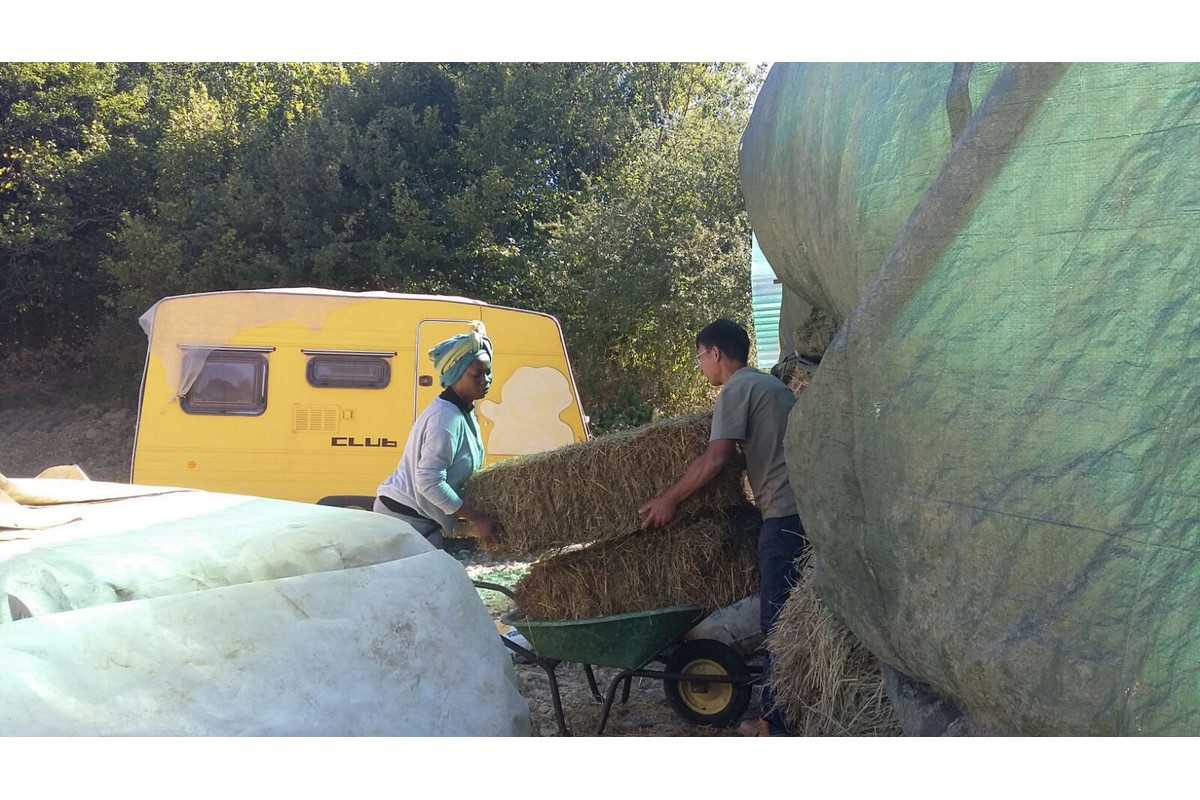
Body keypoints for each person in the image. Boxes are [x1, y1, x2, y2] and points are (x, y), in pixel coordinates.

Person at [639, 318, 808, 737]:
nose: (701, 366)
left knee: (778, 621)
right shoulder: (769, 386)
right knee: (790, 616)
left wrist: (668, 500)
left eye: (700, 356)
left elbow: (715, 459)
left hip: (782, 516)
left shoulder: (736, 389)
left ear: (715, 352)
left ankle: (776, 723)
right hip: (800, 510)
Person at [375, 321, 500, 549]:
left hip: (419, 520)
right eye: (476, 374)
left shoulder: (463, 410)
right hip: (405, 520)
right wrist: (477, 518)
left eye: (488, 371)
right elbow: (429, 481)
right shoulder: (446, 418)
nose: (485, 379)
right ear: (455, 376)